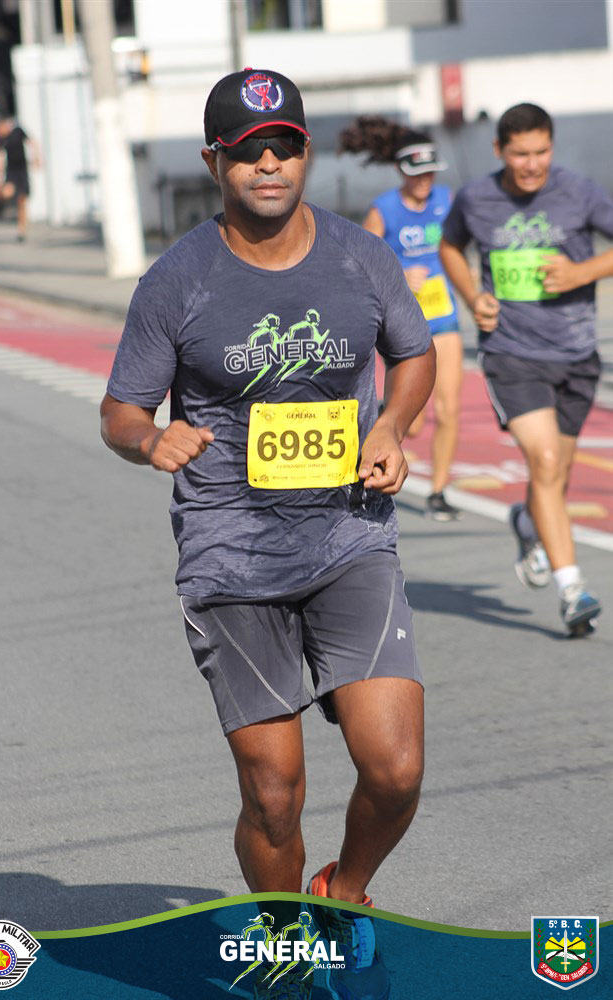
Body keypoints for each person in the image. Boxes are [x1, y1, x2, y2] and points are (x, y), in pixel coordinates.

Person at [100, 67, 435, 1000]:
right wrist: (148, 439)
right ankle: (284, 938)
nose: (269, 165)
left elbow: (413, 353)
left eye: (284, 146)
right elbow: (120, 409)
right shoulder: (176, 281)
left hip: (349, 537)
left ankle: (343, 894)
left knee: (395, 768)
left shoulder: (359, 256)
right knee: (274, 791)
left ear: (305, 153)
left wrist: (389, 424)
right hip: (230, 553)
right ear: (216, 163)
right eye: (248, 152)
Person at [440, 102, 613, 636]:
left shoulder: (579, 191)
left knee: (554, 474)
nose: (532, 164)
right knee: (544, 460)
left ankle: (526, 520)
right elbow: (450, 246)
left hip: (576, 356)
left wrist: (582, 271)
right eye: (520, 154)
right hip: (512, 353)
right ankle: (572, 590)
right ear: (499, 150)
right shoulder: (477, 198)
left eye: (541, 152)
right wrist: (472, 297)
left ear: (551, 147)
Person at [340, 116, 462, 521]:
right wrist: (399, 274)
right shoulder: (384, 210)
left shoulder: (446, 201)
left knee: (449, 408)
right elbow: (359, 265)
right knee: (414, 421)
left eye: (430, 172)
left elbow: (458, 247)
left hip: (443, 316)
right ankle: (381, 426)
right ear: (400, 170)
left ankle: (439, 492)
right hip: (403, 322)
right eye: (416, 173)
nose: (424, 181)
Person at [0, 115, 40, 242]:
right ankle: (1, 205)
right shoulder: (0, 139)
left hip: (22, 170)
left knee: (22, 201)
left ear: (3, 125)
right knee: (7, 192)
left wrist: (36, 158)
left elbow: (32, 142)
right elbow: (0, 158)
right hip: (11, 171)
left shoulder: (18, 132)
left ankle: (21, 231)